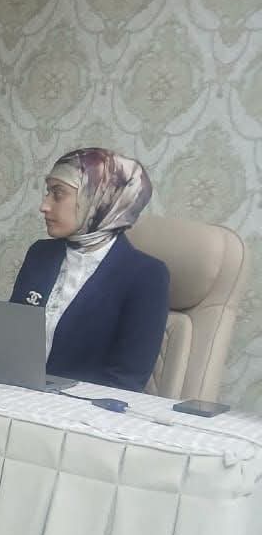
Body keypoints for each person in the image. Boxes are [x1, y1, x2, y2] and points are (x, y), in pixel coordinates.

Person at [10, 147, 169, 392]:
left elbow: (125, 381)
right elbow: (10, 342)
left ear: (100, 198)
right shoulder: (41, 254)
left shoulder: (146, 276)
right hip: (14, 395)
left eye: (58, 194)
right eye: (48, 192)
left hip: (80, 410)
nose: (44, 205)